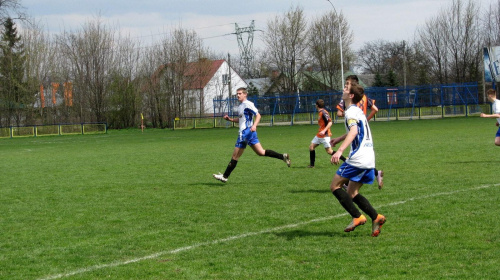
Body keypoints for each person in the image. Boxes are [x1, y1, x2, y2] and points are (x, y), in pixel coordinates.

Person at [330, 81, 386, 237]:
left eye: (346, 88)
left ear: (351, 95)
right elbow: (357, 130)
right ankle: (376, 217)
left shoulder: (350, 113)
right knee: (352, 192)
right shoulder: (358, 111)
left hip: (358, 158)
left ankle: (357, 217)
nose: (343, 89)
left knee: (335, 186)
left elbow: (354, 131)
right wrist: (339, 139)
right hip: (369, 158)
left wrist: (339, 150)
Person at [213, 87, 291, 183]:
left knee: (235, 156)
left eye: (240, 93)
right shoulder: (241, 106)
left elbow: (258, 115)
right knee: (261, 152)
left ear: (245, 94)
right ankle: (283, 157)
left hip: (245, 133)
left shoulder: (248, 104)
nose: (238, 95)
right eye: (237, 94)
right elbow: (241, 119)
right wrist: (230, 120)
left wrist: (254, 125)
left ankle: (224, 176)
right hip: (250, 133)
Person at [331, 75, 384, 189]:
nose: (345, 87)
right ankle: (376, 173)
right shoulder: (364, 97)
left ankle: (345, 182)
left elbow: (340, 114)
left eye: (347, 84)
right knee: (363, 162)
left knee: (356, 161)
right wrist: (365, 120)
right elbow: (375, 109)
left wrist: (349, 115)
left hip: (356, 129)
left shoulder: (348, 102)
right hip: (362, 129)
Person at [308, 99, 334, 168]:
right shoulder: (321, 112)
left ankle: (345, 160)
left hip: (325, 135)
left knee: (329, 151)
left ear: (316, 105)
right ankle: (312, 165)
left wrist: (324, 130)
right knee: (311, 147)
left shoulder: (323, 112)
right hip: (320, 134)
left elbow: (330, 122)